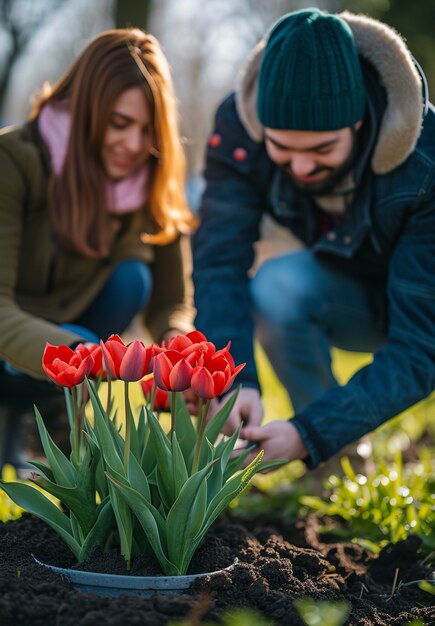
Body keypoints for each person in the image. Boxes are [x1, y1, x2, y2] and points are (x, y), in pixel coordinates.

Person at [192, 8, 435, 471]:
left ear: (359, 122)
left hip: (421, 305)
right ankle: (339, 463)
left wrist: (309, 432)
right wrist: (233, 378)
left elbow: (422, 345)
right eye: (281, 148)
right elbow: (218, 259)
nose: (301, 168)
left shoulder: (426, 160)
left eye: (321, 149)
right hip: (342, 290)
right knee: (277, 287)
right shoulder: (239, 132)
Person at [0, 28, 195, 469]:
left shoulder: (150, 176)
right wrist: (74, 354)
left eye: (148, 129)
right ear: (86, 109)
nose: (133, 145)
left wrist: (181, 355)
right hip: (14, 337)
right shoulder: (14, 159)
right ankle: (35, 409)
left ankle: (48, 411)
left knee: (131, 280)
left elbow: (170, 303)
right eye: (119, 123)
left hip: (78, 341)